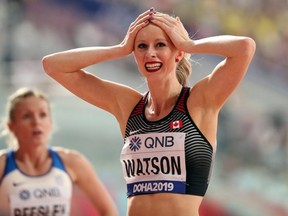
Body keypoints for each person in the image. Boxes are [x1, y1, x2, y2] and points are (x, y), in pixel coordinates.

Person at [41, 7, 256, 216]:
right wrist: (119, 49)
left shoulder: (199, 101)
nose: (150, 53)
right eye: (142, 46)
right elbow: (53, 65)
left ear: (178, 54)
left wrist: (188, 43)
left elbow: (244, 47)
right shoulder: (129, 106)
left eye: (160, 45)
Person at [0, 87, 118, 216]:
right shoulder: (3, 165)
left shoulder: (72, 162)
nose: (36, 122)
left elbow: (108, 210)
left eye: (43, 115)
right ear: (11, 126)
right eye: (27, 116)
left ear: (50, 123)